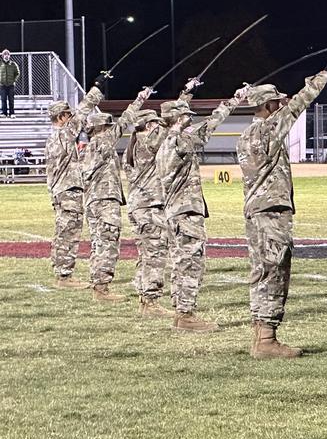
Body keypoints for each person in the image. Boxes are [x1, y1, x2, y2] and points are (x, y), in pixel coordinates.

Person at [237, 53, 327, 360]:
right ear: (268, 106)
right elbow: (301, 101)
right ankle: (266, 340)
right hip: (272, 212)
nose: (281, 105)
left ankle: (260, 336)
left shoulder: (244, 136)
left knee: (261, 271)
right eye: (277, 102)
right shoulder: (268, 130)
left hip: (256, 211)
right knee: (275, 272)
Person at [156, 85, 249, 331]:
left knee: (180, 261)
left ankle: (181, 311)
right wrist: (234, 100)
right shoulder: (179, 140)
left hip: (175, 211)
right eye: (186, 117)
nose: (190, 120)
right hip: (186, 212)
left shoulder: (164, 142)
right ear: (178, 119)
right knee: (191, 262)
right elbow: (210, 125)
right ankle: (186, 315)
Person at [123, 79, 199, 318]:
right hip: (150, 206)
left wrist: (186, 94)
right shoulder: (148, 141)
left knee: (148, 253)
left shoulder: (135, 145)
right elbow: (171, 124)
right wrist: (184, 98)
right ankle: (150, 301)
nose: (159, 125)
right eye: (155, 123)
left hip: (140, 206)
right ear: (148, 125)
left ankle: (145, 298)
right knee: (155, 254)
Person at [81, 87, 151, 301]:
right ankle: (101, 287)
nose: (110, 130)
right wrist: (139, 99)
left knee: (98, 242)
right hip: (104, 201)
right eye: (107, 127)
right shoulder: (101, 143)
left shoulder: (91, 147)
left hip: (94, 200)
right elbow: (124, 122)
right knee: (108, 241)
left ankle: (97, 283)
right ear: (100, 128)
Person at [45, 79, 105, 288]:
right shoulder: (63, 134)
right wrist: (96, 89)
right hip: (67, 190)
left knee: (63, 232)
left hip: (61, 190)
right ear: (61, 117)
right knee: (69, 232)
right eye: (67, 115)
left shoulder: (53, 138)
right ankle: (64, 276)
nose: (71, 118)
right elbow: (82, 112)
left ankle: (61, 272)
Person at [0, 49, 19, 118]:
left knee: (11, 100)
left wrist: (14, 80)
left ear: (9, 56)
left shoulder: (13, 64)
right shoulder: (0, 64)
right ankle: (4, 113)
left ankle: (12, 113)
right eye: (5, 54)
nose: (6, 56)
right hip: (2, 85)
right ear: (2, 56)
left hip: (11, 85)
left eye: (8, 54)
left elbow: (17, 73)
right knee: (3, 99)